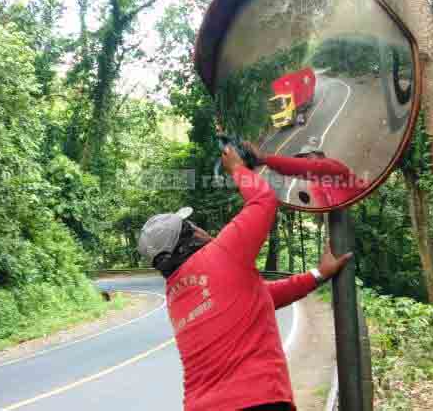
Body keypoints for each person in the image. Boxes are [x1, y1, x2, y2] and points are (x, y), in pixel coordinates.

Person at [137, 145, 352, 411]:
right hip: (257, 402)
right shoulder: (221, 254)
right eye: (191, 226)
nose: (199, 228)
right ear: (188, 241)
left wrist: (319, 274)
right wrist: (237, 168)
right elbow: (264, 200)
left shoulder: (175, 294)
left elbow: (261, 297)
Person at [246, 141, 368, 208]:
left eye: (307, 157)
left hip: (362, 205)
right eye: (302, 159)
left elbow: (311, 168)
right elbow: (325, 209)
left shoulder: (332, 166)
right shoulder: (315, 186)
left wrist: (264, 159)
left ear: (320, 155)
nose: (305, 161)